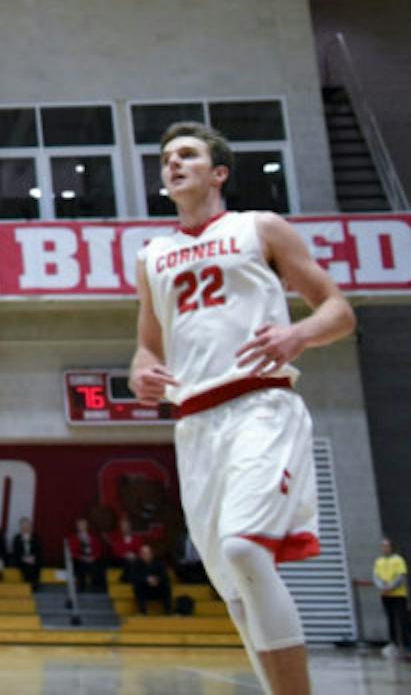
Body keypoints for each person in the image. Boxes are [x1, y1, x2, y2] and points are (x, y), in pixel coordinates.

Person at [131, 122, 355, 695]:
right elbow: (148, 344)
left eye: (187, 155)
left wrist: (298, 335)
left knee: (244, 547)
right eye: (165, 159)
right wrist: (140, 370)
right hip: (195, 425)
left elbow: (339, 311)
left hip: (260, 403)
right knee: (232, 585)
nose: (172, 164)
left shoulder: (259, 229)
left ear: (219, 172)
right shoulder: (153, 255)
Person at [374, 537, 411, 654]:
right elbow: (376, 576)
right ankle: (393, 642)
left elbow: (401, 576)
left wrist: (390, 587)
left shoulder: (398, 560)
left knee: (402, 618)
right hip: (385, 595)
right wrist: (381, 587)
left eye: (386, 546)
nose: (384, 549)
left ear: (391, 547)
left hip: (398, 594)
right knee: (390, 619)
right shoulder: (379, 561)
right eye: (382, 546)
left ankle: (406, 644)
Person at [128, 544, 173, 615]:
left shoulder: (159, 563)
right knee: (137, 585)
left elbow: (165, 577)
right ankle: (142, 611)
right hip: (145, 591)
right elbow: (133, 577)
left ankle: (168, 610)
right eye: (142, 553)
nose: (144, 555)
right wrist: (146, 579)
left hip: (158, 589)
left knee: (166, 585)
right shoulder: (136, 564)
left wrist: (157, 580)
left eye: (146, 553)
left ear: (151, 554)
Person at [65, 518, 106, 592]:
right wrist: (82, 558)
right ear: (77, 526)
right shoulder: (73, 538)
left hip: (92, 559)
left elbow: (99, 551)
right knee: (80, 566)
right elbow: (72, 552)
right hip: (80, 560)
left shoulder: (93, 538)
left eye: (84, 524)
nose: (82, 526)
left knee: (99, 565)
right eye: (80, 525)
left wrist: (93, 557)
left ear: (87, 526)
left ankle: (98, 587)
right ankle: (81, 587)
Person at [10, 517, 43, 588]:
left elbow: (39, 552)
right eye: (23, 528)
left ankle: (33, 584)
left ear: (31, 528)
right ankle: (30, 585)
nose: (26, 530)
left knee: (34, 566)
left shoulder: (36, 538)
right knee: (27, 566)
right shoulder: (17, 538)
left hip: (34, 561)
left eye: (27, 528)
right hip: (21, 561)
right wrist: (25, 559)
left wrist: (30, 541)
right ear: (21, 529)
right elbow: (16, 553)